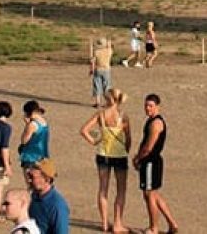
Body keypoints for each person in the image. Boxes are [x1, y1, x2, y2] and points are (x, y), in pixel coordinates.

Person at [80, 88, 132, 233]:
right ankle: (117, 223)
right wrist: (126, 150)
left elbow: (84, 130)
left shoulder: (101, 114)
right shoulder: (123, 116)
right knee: (121, 189)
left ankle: (104, 223)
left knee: (103, 189)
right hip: (119, 155)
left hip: (103, 154)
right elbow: (128, 138)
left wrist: (95, 141)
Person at [132, 94, 178, 234]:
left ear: (157, 106)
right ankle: (172, 224)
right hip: (150, 161)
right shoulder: (151, 120)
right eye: (146, 105)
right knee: (154, 194)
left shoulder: (156, 123)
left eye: (151, 106)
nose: (147, 108)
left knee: (149, 195)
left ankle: (154, 228)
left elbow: (149, 147)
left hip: (150, 162)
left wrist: (138, 158)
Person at [26, 159, 70, 234]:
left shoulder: (57, 206)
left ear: (47, 179)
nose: (29, 180)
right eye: (29, 176)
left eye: (32, 177)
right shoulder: (34, 196)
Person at [20, 101, 50, 172]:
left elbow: (24, 140)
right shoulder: (44, 122)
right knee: (44, 177)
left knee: (31, 178)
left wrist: (27, 124)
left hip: (31, 157)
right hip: (43, 155)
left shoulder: (32, 124)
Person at [90, 38, 113, 108]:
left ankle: (98, 102)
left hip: (98, 69)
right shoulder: (109, 51)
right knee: (107, 87)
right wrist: (109, 42)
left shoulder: (96, 52)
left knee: (97, 86)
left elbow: (92, 61)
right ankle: (108, 102)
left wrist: (91, 70)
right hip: (106, 70)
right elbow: (110, 46)